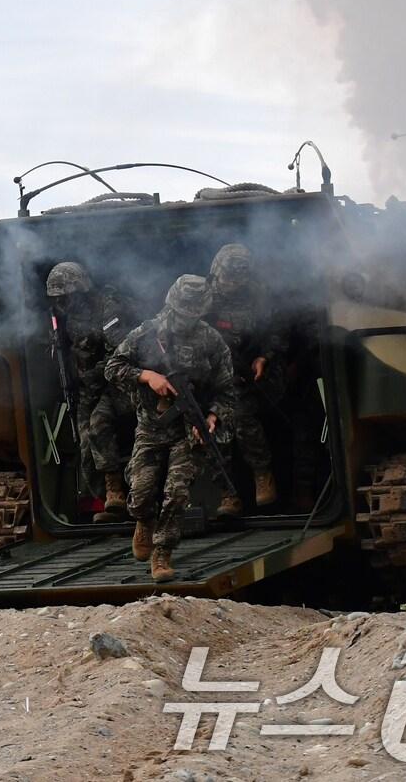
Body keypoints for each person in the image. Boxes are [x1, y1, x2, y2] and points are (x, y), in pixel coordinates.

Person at [105, 275, 236, 583]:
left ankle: (162, 552)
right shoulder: (147, 334)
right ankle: (143, 521)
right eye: (182, 312)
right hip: (152, 426)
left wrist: (214, 416)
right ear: (172, 305)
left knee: (176, 492)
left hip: (189, 428)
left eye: (194, 314)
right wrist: (147, 376)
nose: (187, 319)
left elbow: (226, 389)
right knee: (139, 492)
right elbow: (112, 368)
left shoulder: (211, 341)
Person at [46, 261, 133, 518]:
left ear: (80, 290)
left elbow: (122, 353)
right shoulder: (65, 317)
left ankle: (116, 490)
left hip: (116, 383)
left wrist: (96, 372)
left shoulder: (108, 307)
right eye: (58, 298)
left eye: (66, 297)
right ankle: (108, 499)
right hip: (88, 388)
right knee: (85, 444)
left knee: (98, 426)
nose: (62, 303)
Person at [204, 244, 283, 517]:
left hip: (245, 376)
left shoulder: (258, 296)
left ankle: (263, 475)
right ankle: (228, 494)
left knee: (242, 418)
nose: (232, 284)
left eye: (238, 278)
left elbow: (274, 331)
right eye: (227, 277)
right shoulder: (203, 297)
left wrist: (264, 356)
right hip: (209, 375)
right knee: (211, 433)